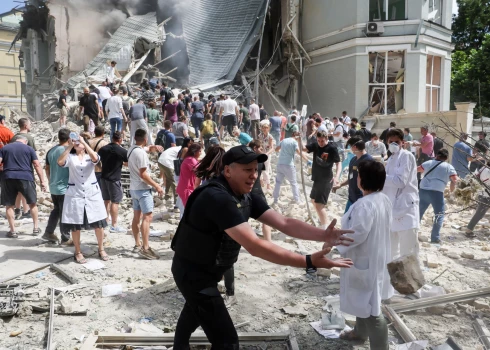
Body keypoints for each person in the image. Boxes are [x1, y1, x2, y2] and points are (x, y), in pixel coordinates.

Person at [170, 144, 354, 349]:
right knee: (227, 341)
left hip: (207, 271)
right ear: (228, 170)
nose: (254, 176)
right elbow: (255, 246)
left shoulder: (244, 194)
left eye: (256, 170)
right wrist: (308, 261)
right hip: (193, 274)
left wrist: (324, 234)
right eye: (247, 170)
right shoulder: (217, 198)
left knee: (194, 312)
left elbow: (284, 223)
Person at [338, 160, 392, 350]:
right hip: (374, 256)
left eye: (358, 175)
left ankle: (380, 347)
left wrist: (335, 243)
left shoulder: (365, 205)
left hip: (365, 258)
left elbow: (356, 234)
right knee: (363, 299)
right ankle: (359, 333)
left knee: (372, 309)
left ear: (362, 179)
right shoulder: (382, 199)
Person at [57, 135, 108, 263]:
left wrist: (85, 143)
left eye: (80, 142)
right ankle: (78, 252)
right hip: (76, 195)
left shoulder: (89, 156)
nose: (78, 144)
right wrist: (70, 146)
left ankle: (101, 249)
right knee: (76, 225)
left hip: (92, 194)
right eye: (77, 142)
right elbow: (60, 162)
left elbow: (96, 159)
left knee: (99, 224)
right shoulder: (71, 157)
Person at [382, 128, 419, 261]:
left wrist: (380, 176)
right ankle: (392, 281)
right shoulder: (391, 158)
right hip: (392, 210)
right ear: (386, 142)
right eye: (391, 142)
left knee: (408, 253)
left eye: (396, 142)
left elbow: (400, 181)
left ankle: (412, 282)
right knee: (391, 253)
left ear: (403, 142)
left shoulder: (406, 156)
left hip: (406, 209)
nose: (394, 145)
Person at [128, 129, 164, 259]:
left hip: (134, 188)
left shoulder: (131, 149)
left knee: (136, 217)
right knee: (147, 218)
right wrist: (157, 185)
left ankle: (138, 244)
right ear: (145, 139)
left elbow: (144, 149)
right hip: (143, 189)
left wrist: (152, 148)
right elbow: (143, 174)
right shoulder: (141, 154)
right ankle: (146, 247)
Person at [0, 136, 46, 238]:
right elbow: (37, 164)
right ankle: (35, 228)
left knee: (9, 205)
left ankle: (12, 231)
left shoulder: (5, 148)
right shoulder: (29, 149)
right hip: (26, 177)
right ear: (25, 142)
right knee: (32, 203)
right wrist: (42, 181)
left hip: (8, 177)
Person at [418, 149, 458, 244]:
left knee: (418, 213)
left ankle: (411, 233)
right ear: (447, 158)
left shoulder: (428, 163)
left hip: (423, 190)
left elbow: (417, 169)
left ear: (436, 155)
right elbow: (455, 179)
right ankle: (435, 237)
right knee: (439, 214)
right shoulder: (449, 167)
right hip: (437, 192)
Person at [303, 130, 341, 229]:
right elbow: (304, 149)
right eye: (319, 140)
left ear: (327, 139)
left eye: (322, 141)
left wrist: (337, 176)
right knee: (313, 200)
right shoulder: (316, 145)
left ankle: (325, 229)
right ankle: (323, 221)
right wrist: (298, 139)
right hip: (317, 178)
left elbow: (338, 163)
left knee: (319, 205)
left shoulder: (332, 148)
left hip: (326, 179)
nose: (320, 143)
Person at [43, 129, 71, 244]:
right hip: (64, 187)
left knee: (57, 210)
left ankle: (49, 232)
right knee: (64, 212)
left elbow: (47, 168)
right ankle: (65, 238)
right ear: (69, 138)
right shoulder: (67, 151)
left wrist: (50, 180)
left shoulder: (51, 150)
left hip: (54, 186)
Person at [98, 131, 128, 233]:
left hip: (103, 177)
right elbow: (128, 162)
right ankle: (114, 225)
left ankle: (106, 221)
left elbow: (98, 161)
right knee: (115, 201)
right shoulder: (122, 151)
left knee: (106, 200)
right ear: (120, 139)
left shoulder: (103, 149)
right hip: (114, 179)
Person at [333, 138, 373, 213]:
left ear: (354, 147)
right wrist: (340, 185)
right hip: (351, 198)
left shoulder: (369, 161)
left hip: (362, 201)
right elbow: (351, 177)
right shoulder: (353, 160)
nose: (350, 149)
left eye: (350, 146)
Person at [272, 131, 307, 205]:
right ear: (297, 136)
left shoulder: (284, 140)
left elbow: (276, 149)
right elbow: (299, 152)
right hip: (289, 165)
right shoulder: (294, 142)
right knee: (293, 183)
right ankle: (297, 200)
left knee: (278, 182)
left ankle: (275, 199)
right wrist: (307, 160)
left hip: (280, 164)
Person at [249, 140, 272, 241]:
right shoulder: (260, 162)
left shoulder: (244, 161)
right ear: (255, 148)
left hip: (245, 192)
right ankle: (269, 242)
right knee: (267, 219)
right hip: (257, 192)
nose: (262, 150)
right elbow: (258, 175)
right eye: (260, 148)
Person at [176, 143, 203, 217]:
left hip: (186, 188)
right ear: (195, 151)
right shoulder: (191, 160)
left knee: (186, 209)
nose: (200, 153)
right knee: (188, 210)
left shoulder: (189, 159)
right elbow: (199, 171)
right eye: (200, 151)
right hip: (186, 189)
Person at [465, 162, 490, 237]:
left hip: (481, 193)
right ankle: (468, 230)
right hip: (486, 196)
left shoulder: (482, 169)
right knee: (479, 214)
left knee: (479, 213)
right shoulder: (488, 171)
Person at [258, 121, 275, 193]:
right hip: (261, 153)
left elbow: (272, 148)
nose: (265, 129)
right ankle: (262, 183)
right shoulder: (260, 135)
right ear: (261, 128)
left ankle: (268, 185)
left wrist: (266, 154)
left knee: (266, 170)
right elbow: (259, 144)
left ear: (268, 129)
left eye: (266, 128)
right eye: (263, 128)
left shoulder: (270, 137)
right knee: (260, 169)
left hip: (267, 155)